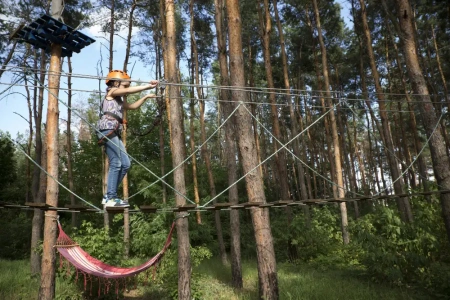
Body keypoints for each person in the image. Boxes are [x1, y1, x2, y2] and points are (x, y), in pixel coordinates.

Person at [97, 70, 159, 207]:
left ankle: (108, 195)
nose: (126, 88)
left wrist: (146, 97)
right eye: (124, 86)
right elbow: (130, 91)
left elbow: (132, 106)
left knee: (125, 163)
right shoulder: (111, 92)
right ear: (116, 82)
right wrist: (148, 86)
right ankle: (111, 198)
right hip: (107, 129)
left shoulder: (118, 100)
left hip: (113, 131)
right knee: (116, 163)